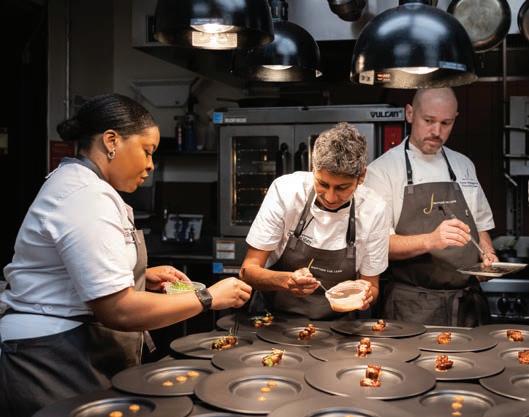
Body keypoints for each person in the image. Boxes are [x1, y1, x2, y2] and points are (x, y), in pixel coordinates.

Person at [0, 93, 252, 417]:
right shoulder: (85, 196)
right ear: (111, 141)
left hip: (68, 345)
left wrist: (139, 276)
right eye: (147, 151)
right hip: (51, 355)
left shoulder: (86, 186)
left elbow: (73, 270)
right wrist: (208, 298)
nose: (150, 165)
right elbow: (117, 310)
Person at [364, 87, 497, 327]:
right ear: (410, 113)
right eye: (428, 121)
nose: (437, 131)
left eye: (446, 123)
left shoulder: (464, 165)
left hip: (466, 306)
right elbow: (377, 245)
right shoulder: (382, 171)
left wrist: (487, 255)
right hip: (411, 308)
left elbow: (481, 227)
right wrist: (431, 240)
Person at [240, 122, 390, 320]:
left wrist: (366, 295)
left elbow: (372, 286)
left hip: (339, 327)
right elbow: (247, 271)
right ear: (313, 168)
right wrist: (286, 280)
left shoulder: (374, 209)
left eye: (342, 188)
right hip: (274, 321)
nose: (330, 197)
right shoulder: (286, 191)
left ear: (361, 176)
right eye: (323, 184)